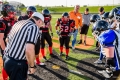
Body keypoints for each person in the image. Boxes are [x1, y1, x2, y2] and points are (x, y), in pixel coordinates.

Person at [3, 12, 44, 80]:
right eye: (41, 24)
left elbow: (7, 40)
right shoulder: (33, 27)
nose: (40, 26)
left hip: (7, 58)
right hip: (17, 63)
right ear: (39, 21)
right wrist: (32, 66)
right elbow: (29, 50)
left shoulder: (18, 23)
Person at [0, 4, 17, 80]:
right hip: (4, 45)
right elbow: (0, 39)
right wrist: (5, 51)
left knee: (13, 62)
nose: (13, 13)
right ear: (5, 12)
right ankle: (5, 78)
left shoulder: (12, 20)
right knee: (6, 63)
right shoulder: (2, 22)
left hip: (11, 44)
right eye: (11, 12)